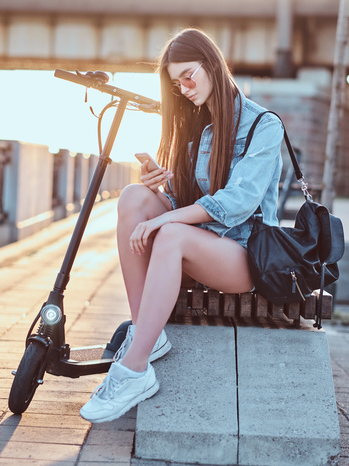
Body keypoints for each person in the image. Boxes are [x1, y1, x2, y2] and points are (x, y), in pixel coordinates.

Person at [79, 28, 284, 423]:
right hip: (198, 245)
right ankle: (147, 334)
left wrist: (169, 217)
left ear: (213, 65)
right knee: (134, 198)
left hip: (243, 256)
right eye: (176, 83)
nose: (184, 88)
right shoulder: (194, 126)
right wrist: (163, 190)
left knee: (170, 232)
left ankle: (134, 371)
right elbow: (184, 203)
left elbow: (237, 203)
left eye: (189, 75)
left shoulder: (263, 125)